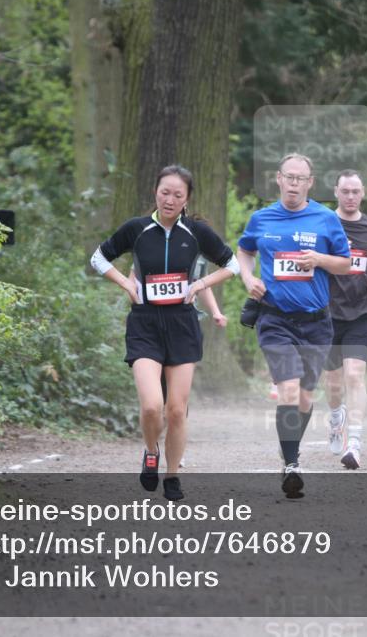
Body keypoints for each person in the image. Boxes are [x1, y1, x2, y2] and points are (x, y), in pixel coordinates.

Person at [91, 165, 239, 501]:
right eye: (164, 192)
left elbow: (232, 265)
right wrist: (126, 282)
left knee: (175, 409)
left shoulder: (196, 231)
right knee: (151, 407)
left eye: (177, 195)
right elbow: (98, 258)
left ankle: (172, 476)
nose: (169, 199)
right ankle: (150, 451)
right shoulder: (137, 229)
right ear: (155, 192)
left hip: (182, 326)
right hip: (144, 324)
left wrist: (200, 283)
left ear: (187, 199)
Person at [237, 153, 351, 498]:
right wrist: (247, 278)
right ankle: (291, 465)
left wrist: (319, 260)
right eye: (289, 177)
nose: (294, 184)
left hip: (316, 323)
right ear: (279, 179)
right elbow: (244, 251)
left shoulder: (326, 219)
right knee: (287, 390)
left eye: (301, 179)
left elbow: (345, 264)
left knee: (304, 398)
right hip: (275, 319)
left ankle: (289, 452)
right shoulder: (262, 218)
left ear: (310, 183)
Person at [322, 170, 367, 469]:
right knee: (334, 382)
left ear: (363, 193)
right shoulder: (323, 225)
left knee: (355, 375)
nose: (350, 197)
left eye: (355, 191)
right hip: (327, 313)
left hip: (362, 311)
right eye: (345, 191)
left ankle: (355, 443)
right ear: (336, 192)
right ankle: (336, 416)